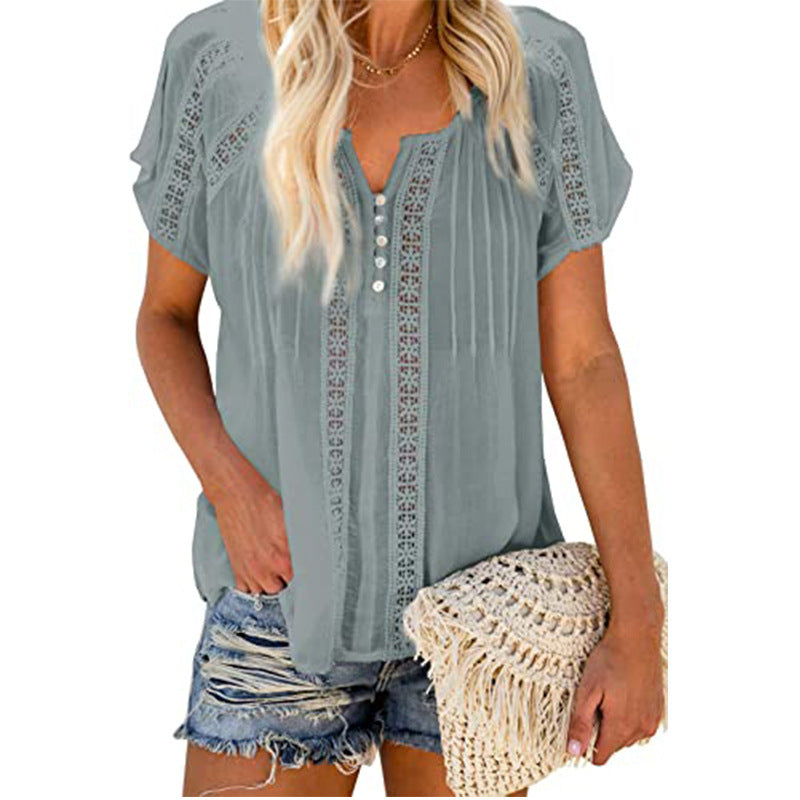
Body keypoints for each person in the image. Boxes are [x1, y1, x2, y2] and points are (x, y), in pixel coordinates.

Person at [131, 0, 664, 795]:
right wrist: (231, 488)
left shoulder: (540, 71)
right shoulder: (219, 61)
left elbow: (585, 362)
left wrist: (640, 622)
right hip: (279, 603)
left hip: (482, 623)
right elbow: (164, 317)